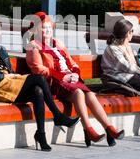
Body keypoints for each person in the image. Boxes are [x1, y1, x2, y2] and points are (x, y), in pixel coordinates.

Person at [0, 15, 80, 152]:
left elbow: (9, 69)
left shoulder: (0, 48)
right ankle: (58, 116)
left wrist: (11, 75)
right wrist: (3, 75)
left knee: (37, 91)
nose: (0, 32)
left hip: (10, 84)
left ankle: (41, 134)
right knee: (38, 78)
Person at [26, 12, 125, 146]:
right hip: (54, 82)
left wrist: (75, 73)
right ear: (37, 30)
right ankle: (88, 129)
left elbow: (72, 62)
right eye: (44, 27)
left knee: (89, 94)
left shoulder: (58, 43)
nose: (48, 30)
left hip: (71, 80)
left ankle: (109, 128)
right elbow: (38, 69)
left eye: (50, 27)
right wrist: (63, 76)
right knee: (79, 93)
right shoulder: (33, 45)